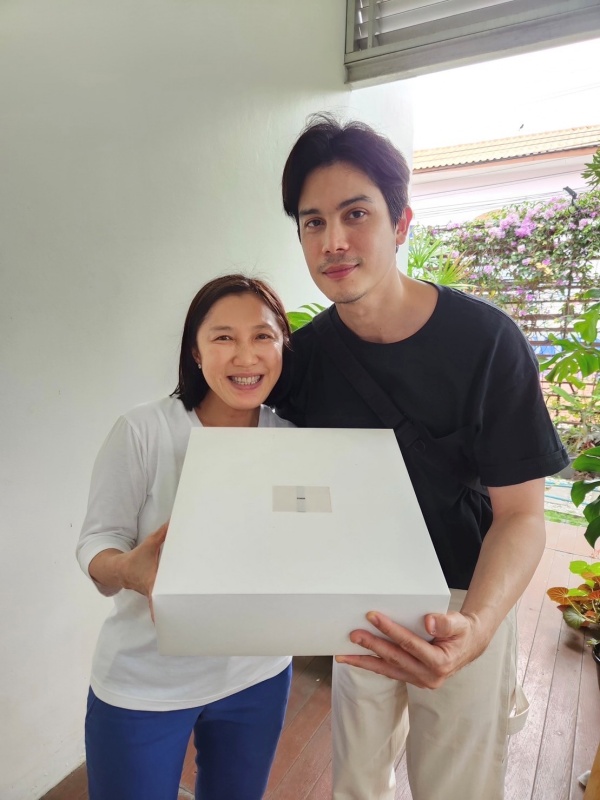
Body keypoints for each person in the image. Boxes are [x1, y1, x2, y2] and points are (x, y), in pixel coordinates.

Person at [276, 115, 569, 800]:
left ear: (401, 223)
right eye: (313, 222)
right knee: (357, 782)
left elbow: (522, 515)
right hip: (359, 600)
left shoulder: (487, 342)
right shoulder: (304, 358)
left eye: (356, 214)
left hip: (463, 596)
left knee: (455, 787)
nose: (334, 240)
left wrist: (478, 627)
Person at [76, 274, 294, 800]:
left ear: (283, 345)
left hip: (259, 674)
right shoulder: (144, 431)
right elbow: (97, 540)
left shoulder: (292, 437)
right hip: (146, 681)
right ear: (195, 353)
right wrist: (128, 570)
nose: (246, 356)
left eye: (262, 336)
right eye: (223, 338)